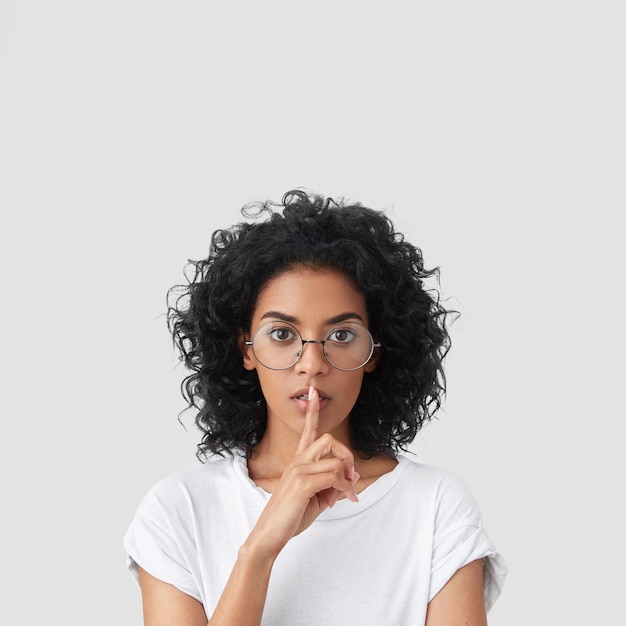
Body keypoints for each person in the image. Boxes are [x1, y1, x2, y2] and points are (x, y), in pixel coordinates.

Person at [123, 189, 507, 625]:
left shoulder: (435, 506)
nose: (312, 364)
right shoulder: (180, 509)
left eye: (342, 336)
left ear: (375, 352)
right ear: (246, 350)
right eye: (282, 334)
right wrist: (261, 547)